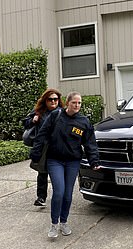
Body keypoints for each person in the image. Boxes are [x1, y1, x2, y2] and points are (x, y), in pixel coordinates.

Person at [30, 91, 101, 239]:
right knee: (59, 192)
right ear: (67, 103)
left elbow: (90, 144)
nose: (77, 105)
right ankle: (54, 224)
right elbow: (41, 135)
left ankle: (64, 222)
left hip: (72, 162)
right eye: (74, 102)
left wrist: (94, 161)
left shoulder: (84, 122)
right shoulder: (55, 116)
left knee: (68, 194)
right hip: (54, 160)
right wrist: (35, 154)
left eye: (79, 103)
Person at [23, 89, 63, 207]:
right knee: (42, 173)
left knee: (58, 174)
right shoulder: (39, 112)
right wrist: (33, 120)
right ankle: (41, 197)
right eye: (50, 99)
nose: (53, 102)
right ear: (45, 101)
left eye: (55, 99)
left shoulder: (63, 112)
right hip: (43, 147)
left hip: (58, 147)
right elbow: (25, 123)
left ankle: (59, 197)